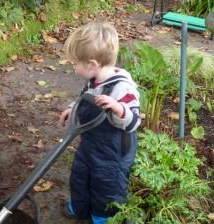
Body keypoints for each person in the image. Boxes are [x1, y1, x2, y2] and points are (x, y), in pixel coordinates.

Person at [59, 21, 141, 224]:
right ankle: (79, 206)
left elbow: (134, 122)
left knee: (106, 186)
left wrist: (118, 107)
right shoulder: (93, 80)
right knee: (80, 175)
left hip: (113, 152)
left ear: (92, 64)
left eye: (75, 63)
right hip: (90, 143)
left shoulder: (123, 88)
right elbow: (84, 97)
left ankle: (102, 217)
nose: (73, 67)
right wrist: (72, 109)